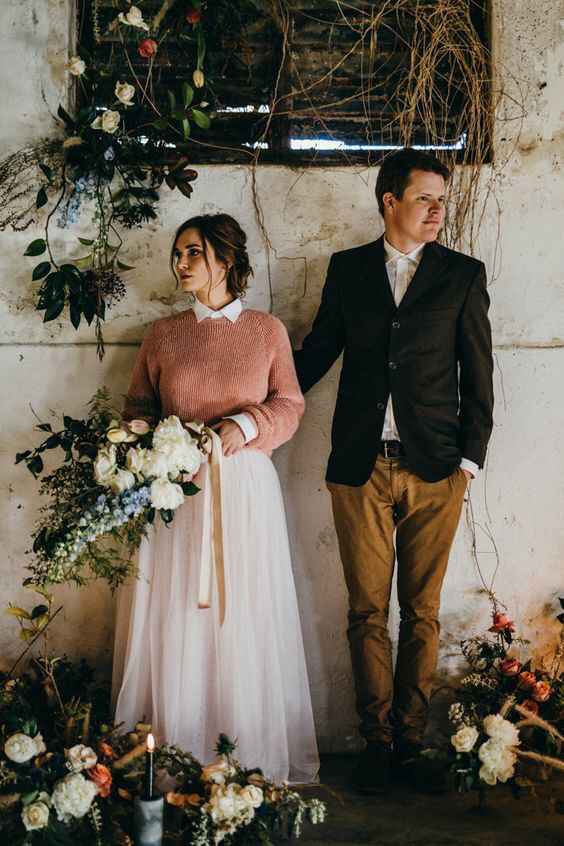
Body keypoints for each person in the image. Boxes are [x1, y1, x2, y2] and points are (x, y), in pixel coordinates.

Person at [294, 148, 493, 793]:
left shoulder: (462, 275)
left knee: (423, 611)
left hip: (437, 467)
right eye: (425, 199)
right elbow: (318, 353)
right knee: (366, 611)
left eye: (442, 199)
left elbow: (479, 371)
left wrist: (470, 457)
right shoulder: (348, 271)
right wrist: (257, 400)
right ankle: (376, 743)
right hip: (358, 466)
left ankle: (412, 741)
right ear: (390, 202)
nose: (437, 210)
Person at [112, 213, 319, 784]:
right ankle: (178, 745)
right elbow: (137, 407)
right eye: (178, 253)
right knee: (179, 613)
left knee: (242, 613)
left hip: (245, 490)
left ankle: (243, 750)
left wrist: (245, 427)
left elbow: (290, 404)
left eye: (192, 253)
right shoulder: (163, 334)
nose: (180, 263)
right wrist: (144, 442)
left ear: (225, 261)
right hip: (178, 491)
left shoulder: (266, 330)